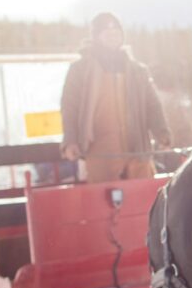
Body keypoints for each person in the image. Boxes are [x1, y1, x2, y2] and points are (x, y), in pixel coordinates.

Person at [59, 13, 171, 183]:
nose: (113, 36)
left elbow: (152, 104)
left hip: (137, 149)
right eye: (107, 32)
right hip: (100, 151)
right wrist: (70, 141)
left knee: (145, 200)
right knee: (104, 203)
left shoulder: (137, 70)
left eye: (116, 32)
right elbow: (69, 107)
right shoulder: (80, 70)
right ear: (96, 36)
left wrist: (161, 131)